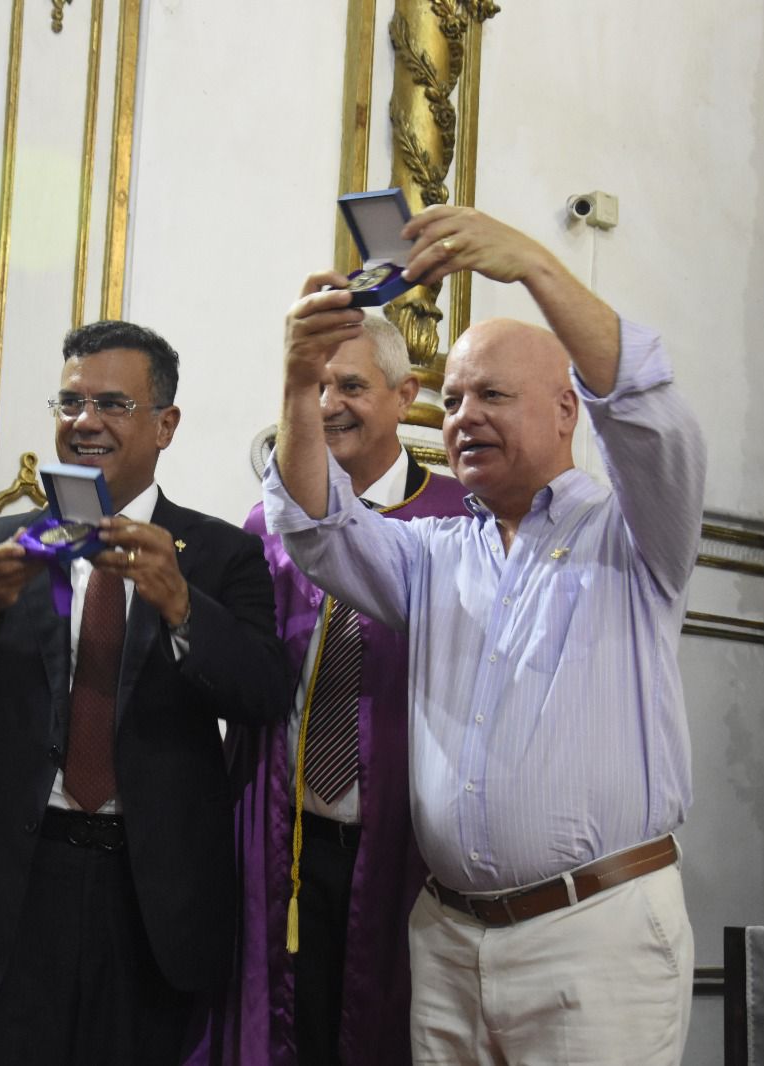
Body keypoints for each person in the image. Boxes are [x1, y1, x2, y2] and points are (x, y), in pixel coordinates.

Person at [265, 206, 707, 1065]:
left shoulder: (637, 532)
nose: (462, 417)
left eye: (493, 396)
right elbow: (316, 529)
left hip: (594, 939)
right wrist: (297, 383)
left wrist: (536, 267)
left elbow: (650, 412)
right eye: (454, 398)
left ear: (566, 408)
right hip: (448, 940)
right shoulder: (431, 552)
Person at [0, 320, 294, 1065]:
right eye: (69, 404)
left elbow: (263, 693)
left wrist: (182, 606)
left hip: (151, 903)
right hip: (13, 895)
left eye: (112, 403)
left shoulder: (223, 554)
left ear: (165, 424)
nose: (85, 422)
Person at [203, 312, 467, 1065]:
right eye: (316, 385)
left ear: (405, 394)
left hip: (406, 845)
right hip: (288, 834)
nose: (328, 404)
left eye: (350, 384)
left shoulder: (460, 519)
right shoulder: (269, 523)